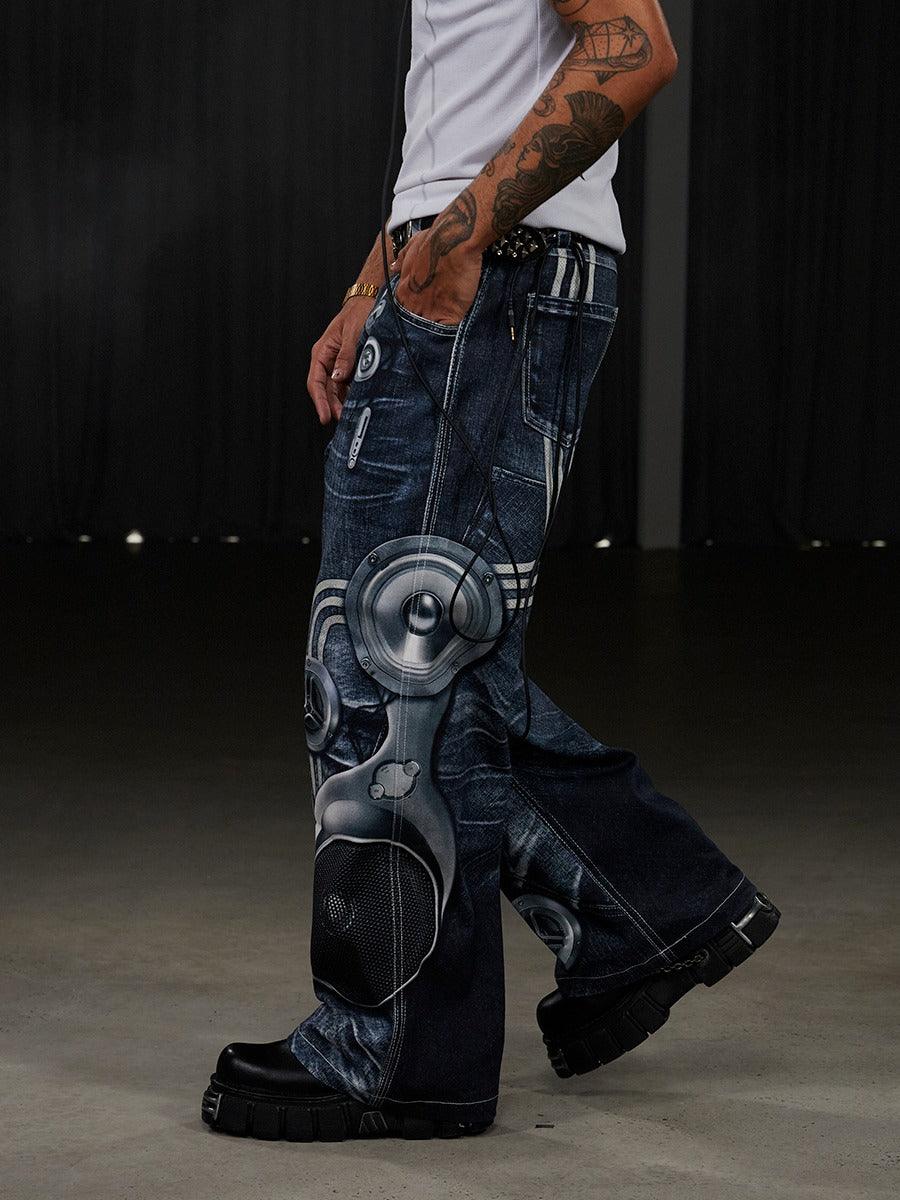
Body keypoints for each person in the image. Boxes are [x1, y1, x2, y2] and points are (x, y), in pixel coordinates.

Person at [202, 0, 779, 1142]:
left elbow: (634, 46)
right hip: (482, 265)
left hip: (499, 271)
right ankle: (643, 913)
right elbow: (461, 115)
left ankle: (394, 1052)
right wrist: (376, 280)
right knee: (435, 674)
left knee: (386, 668)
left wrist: (458, 240)